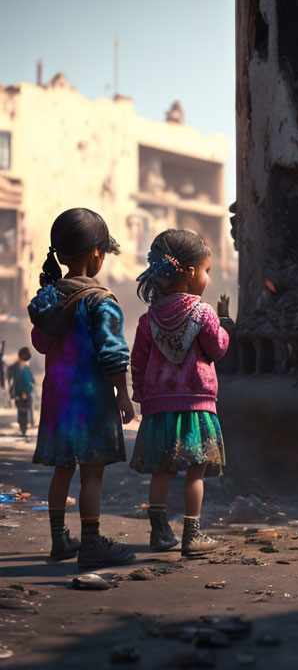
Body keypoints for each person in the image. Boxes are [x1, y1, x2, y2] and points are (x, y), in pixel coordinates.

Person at [28, 208, 136, 567]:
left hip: (58, 400)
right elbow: (113, 351)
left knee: (63, 469)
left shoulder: (50, 298)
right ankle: (91, 544)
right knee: (92, 472)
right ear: (96, 253)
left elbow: (40, 343)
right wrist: (122, 393)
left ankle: (60, 541)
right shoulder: (99, 300)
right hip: (91, 401)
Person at [129, 229, 230, 555]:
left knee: (162, 472)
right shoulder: (203, 313)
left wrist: (141, 395)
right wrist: (225, 324)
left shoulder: (148, 320)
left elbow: (138, 362)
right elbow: (216, 349)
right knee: (194, 474)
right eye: (206, 271)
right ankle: (192, 534)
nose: (207, 278)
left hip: (159, 408)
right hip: (196, 406)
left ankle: (159, 534)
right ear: (187, 272)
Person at [7, 347, 35, 436]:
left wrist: (26, 392)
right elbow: (10, 377)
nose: (24, 362)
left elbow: (31, 382)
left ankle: (24, 428)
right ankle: (22, 426)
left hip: (25, 394)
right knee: (21, 411)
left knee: (24, 412)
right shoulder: (15, 368)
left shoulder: (26, 370)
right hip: (18, 393)